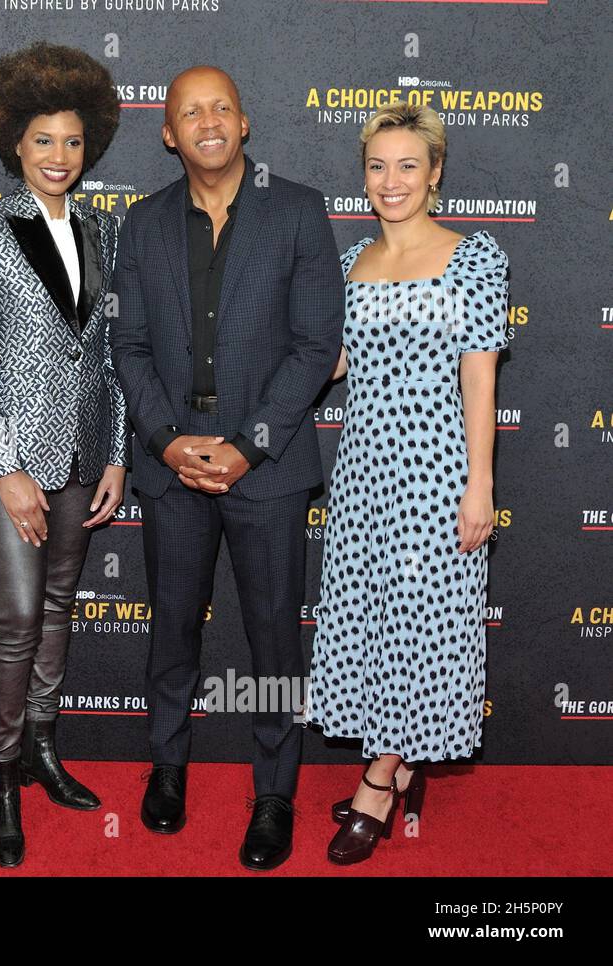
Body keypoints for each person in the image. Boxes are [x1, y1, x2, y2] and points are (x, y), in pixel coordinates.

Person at [110, 66, 345, 871]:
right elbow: (129, 345)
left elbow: (316, 345)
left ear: (243, 123)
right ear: (168, 133)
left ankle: (274, 794)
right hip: (171, 465)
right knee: (172, 628)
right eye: (189, 112)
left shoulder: (298, 210)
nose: (207, 121)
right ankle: (167, 766)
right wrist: (167, 440)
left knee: (274, 638)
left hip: (267, 468)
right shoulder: (142, 222)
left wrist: (248, 444)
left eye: (221, 108)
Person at [0, 42, 127, 869]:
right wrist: (4, 467)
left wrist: (115, 454)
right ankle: (1, 774)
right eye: (44, 140)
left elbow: (109, 355)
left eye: (73, 141)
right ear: (15, 143)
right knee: (16, 617)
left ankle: (41, 747)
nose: (59, 155)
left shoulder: (102, 229)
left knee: (58, 606)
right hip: (7, 458)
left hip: (83, 452)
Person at [307, 104, 507, 865]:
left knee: (420, 627)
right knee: (371, 619)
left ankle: (377, 782)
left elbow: (480, 381)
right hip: (363, 472)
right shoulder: (353, 259)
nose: (391, 181)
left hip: (435, 473)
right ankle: (402, 765)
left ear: (435, 173)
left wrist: (479, 485)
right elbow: (331, 364)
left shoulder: (471, 259)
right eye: (377, 166)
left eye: (408, 166)